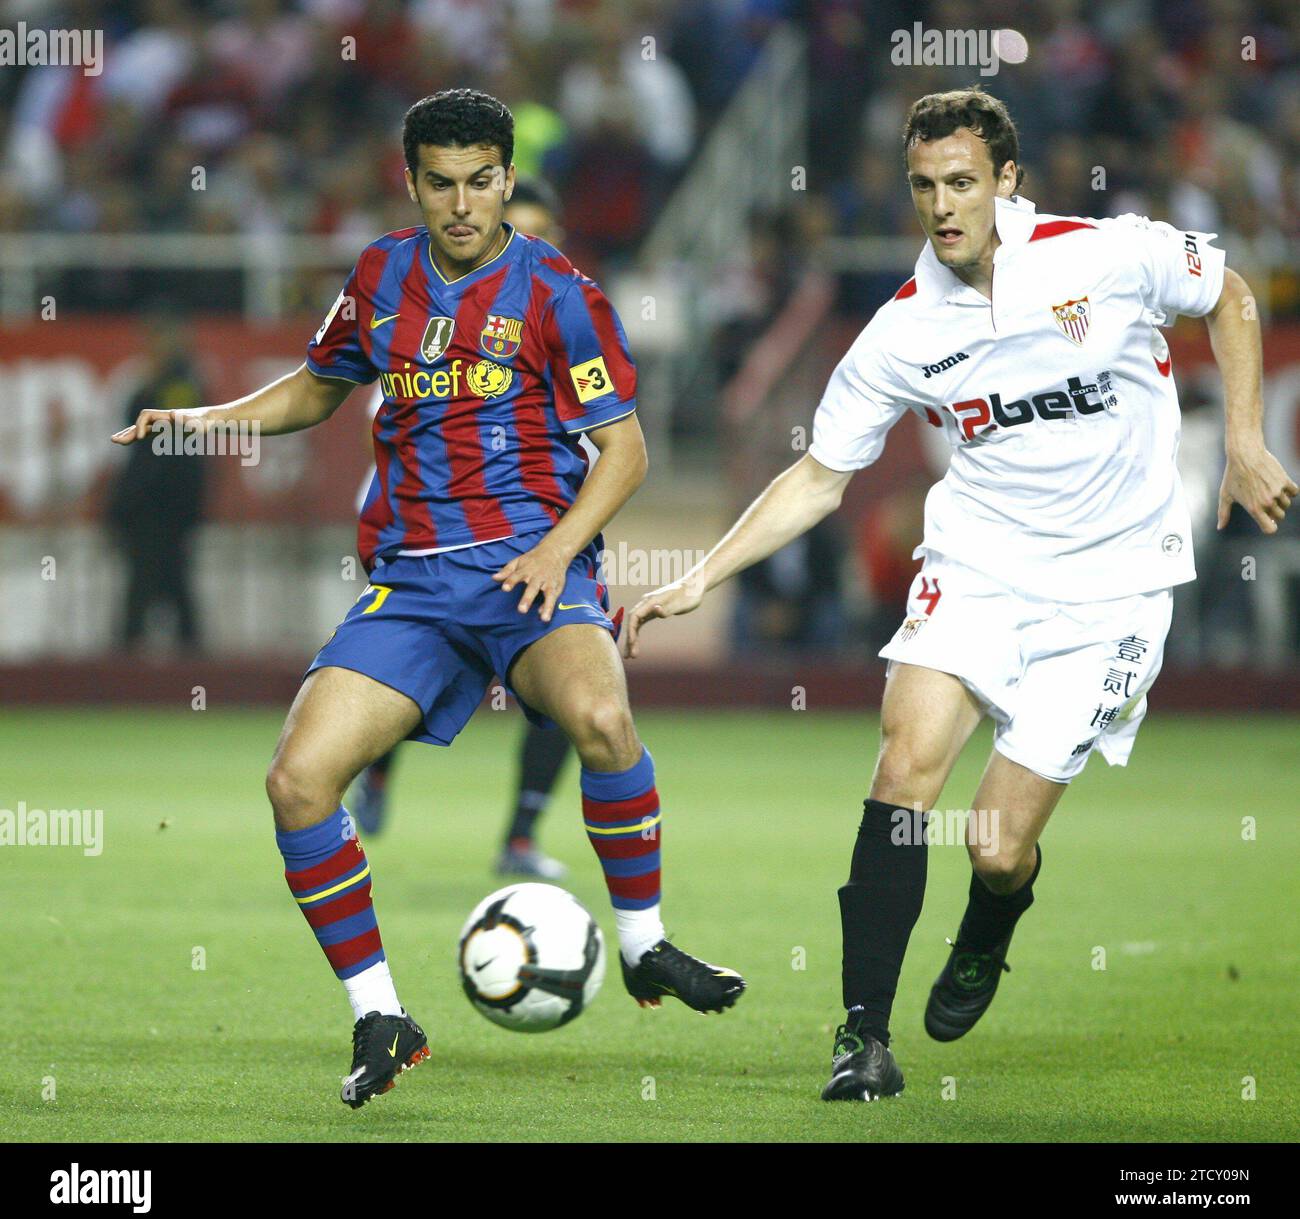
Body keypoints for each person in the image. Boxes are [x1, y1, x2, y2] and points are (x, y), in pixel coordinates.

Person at [625, 87, 1295, 1102]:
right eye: (924, 186)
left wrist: (1243, 442)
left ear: (1006, 181)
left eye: (961, 183)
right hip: (978, 566)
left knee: (992, 847)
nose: (942, 205)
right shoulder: (901, 331)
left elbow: (1233, 295)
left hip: (1113, 588)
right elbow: (819, 475)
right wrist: (700, 574)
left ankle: (990, 925)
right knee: (903, 766)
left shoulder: (1099, 254)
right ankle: (861, 1037)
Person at [113, 89, 744, 1109]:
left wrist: (559, 552)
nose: (461, 204)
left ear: (505, 179)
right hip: (411, 583)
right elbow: (315, 389)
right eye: (440, 183)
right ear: (413, 183)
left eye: (480, 182)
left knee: (599, 714)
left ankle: (644, 944)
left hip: (528, 571)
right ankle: (382, 1018)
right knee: (297, 784)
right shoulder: (377, 277)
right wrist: (200, 422)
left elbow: (624, 451)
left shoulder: (560, 293)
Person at [347, 179, 576, 884]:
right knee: (425, 672)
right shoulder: (425, 315)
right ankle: (378, 768)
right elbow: (382, 427)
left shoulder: (567, 315)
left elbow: (608, 443)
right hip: (421, 532)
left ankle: (519, 837)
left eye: (540, 234)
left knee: (570, 691)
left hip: (532, 536)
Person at [105, 311, 207, 652]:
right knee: (152, 576)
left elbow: (173, 442)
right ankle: (145, 651)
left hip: (168, 501)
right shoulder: (143, 380)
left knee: (164, 576)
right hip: (149, 501)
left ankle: (169, 653)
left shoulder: (183, 383)